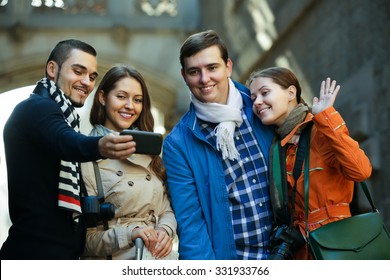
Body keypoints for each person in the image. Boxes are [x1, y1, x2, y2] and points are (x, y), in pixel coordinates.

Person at [0, 39, 136, 260]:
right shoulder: (36, 108)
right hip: (34, 256)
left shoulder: (63, 116)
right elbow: (68, 142)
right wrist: (100, 145)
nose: (87, 82)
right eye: (78, 71)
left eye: (92, 76)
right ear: (52, 69)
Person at [162, 30, 275, 260]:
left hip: (292, 255)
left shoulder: (263, 106)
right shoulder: (178, 144)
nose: (204, 79)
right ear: (184, 76)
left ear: (228, 67)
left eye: (212, 68)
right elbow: (191, 224)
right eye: (194, 72)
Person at [246, 66, 372, 259]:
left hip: (337, 246)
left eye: (264, 93)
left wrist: (326, 116)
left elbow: (361, 171)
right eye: (253, 98)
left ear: (291, 92)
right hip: (303, 250)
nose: (258, 102)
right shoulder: (277, 146)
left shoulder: (319, 129)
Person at [80, 65, 177, 260]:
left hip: (158, 259)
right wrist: (130, 233)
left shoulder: (150, 154)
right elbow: (84, 242)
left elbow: (167, 209)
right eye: (121, 96)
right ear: (102, 97)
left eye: (137, 100)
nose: (130, 106)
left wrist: (166, 231)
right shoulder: (86, 157)